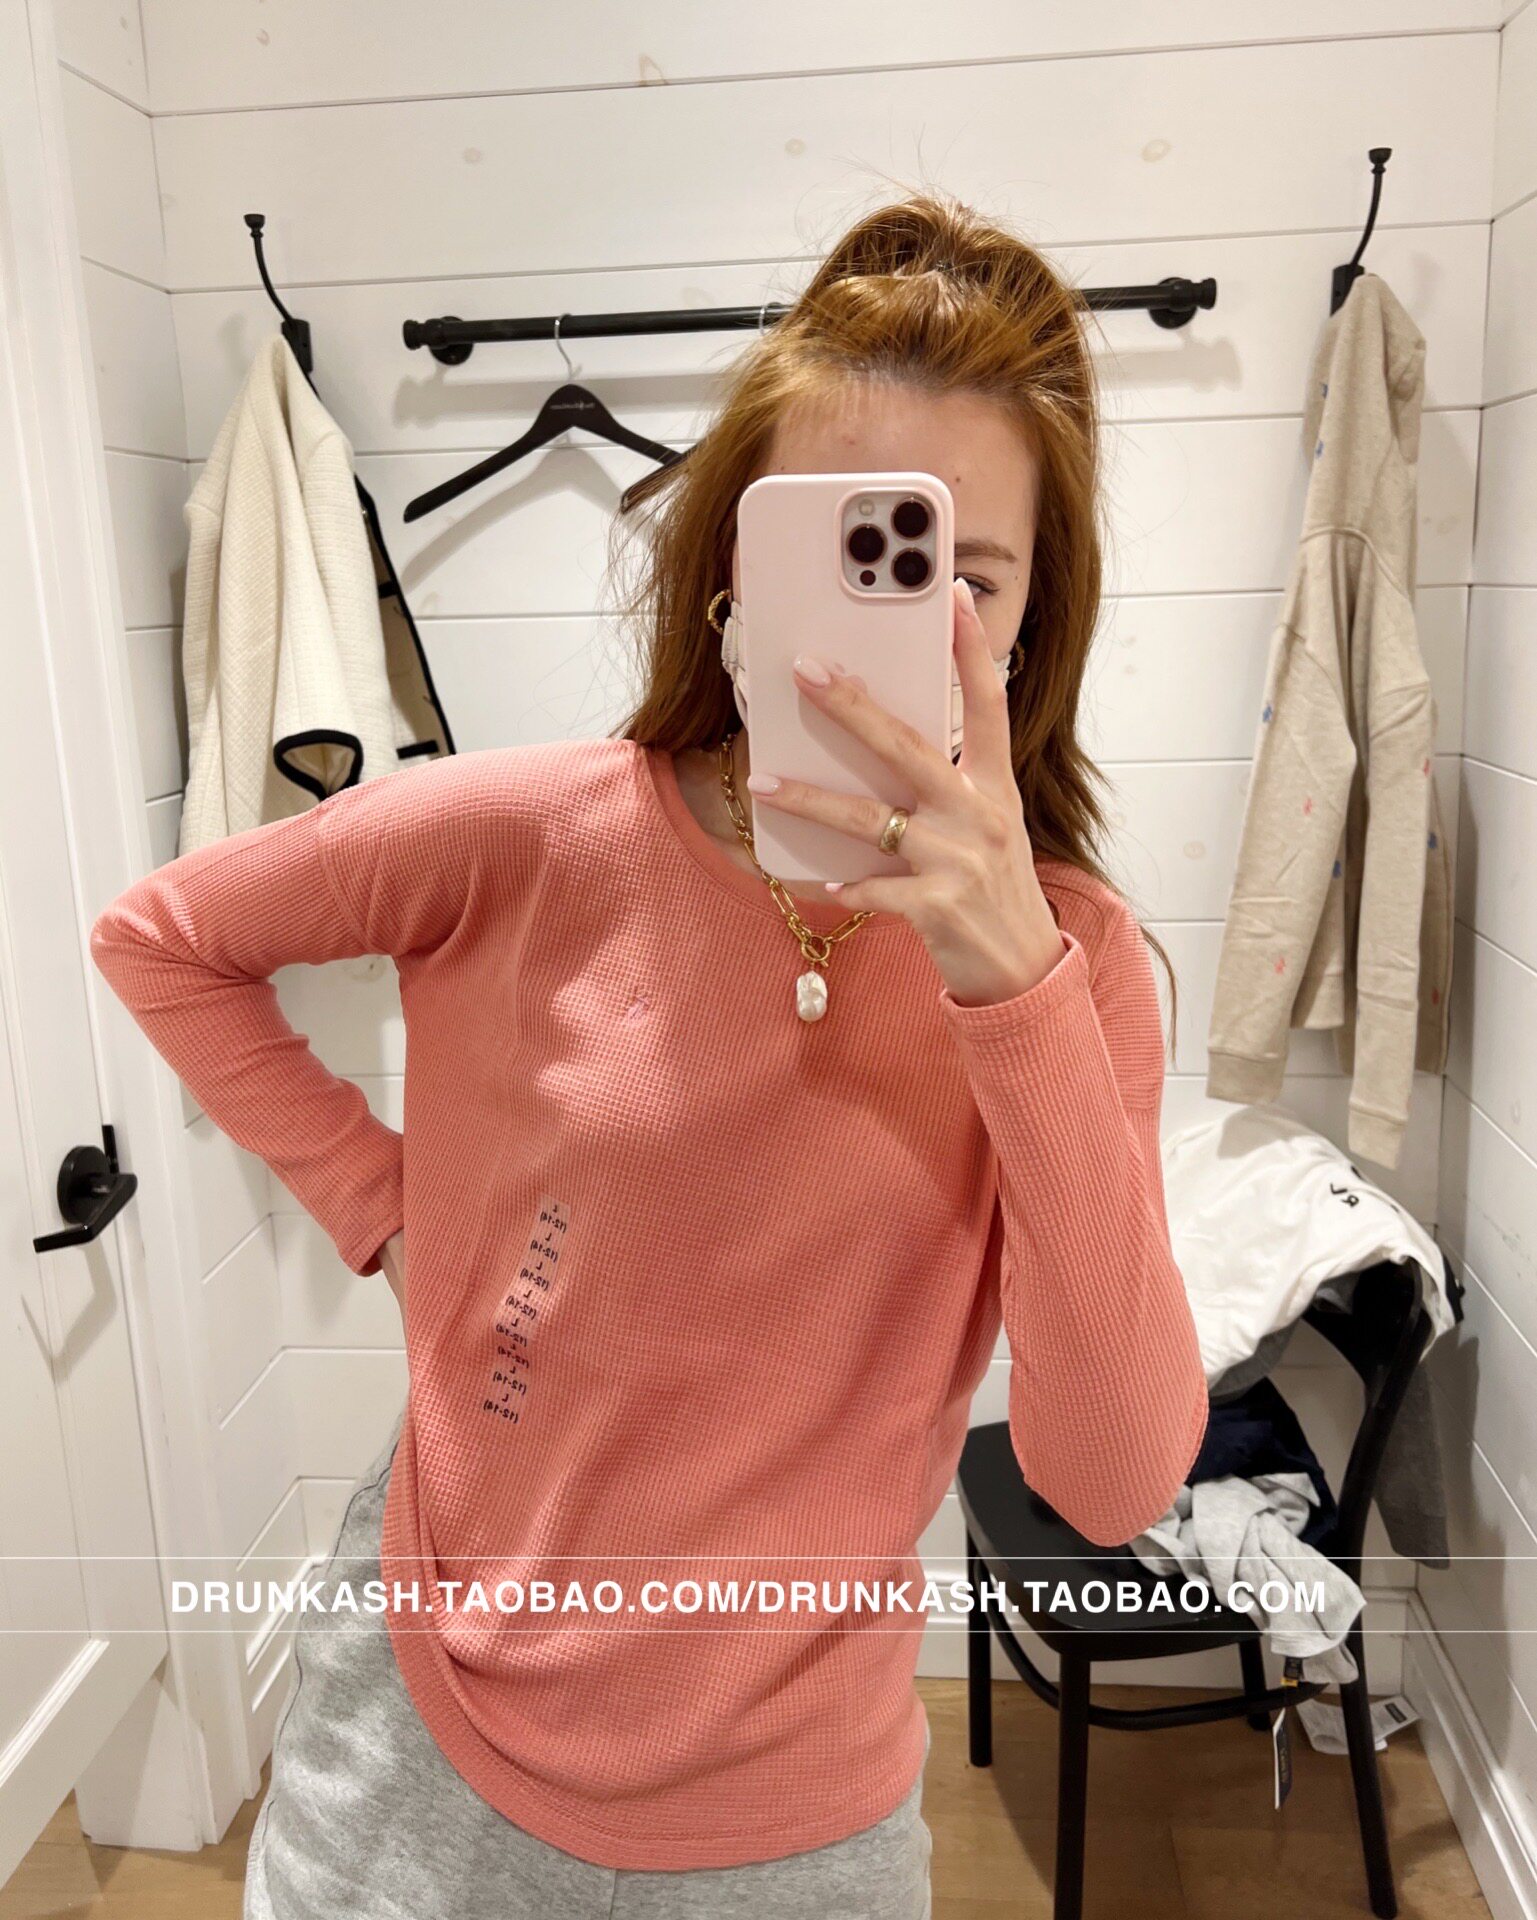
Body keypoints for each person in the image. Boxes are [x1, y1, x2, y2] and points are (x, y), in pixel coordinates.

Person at [88, 189, 1209, 1920]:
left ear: (1029, 617)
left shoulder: (1080, 972)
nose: (892, 620)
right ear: (727, 579)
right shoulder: (527, 836)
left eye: (957, 573)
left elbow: (1111, 1481)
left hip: (797, 1817)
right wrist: (387, 1211)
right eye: (825, 550)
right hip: (420, 1738)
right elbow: (160, 939)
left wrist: (1010, 992)